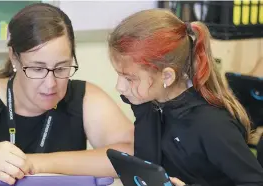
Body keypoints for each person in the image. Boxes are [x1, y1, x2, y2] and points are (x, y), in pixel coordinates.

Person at [0, 3, 133, 186]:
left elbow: (134, 155)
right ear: (14, 57)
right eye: (37, 69)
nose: (51, 84)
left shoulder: (84, 97)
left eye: (61, 68)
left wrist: (33, 163)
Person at [107, 9, 263, 186]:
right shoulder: (150, 105)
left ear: (167, 77)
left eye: (129, 78)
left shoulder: (212, 125)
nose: (119, 87)